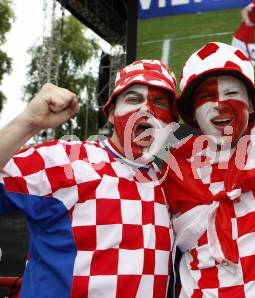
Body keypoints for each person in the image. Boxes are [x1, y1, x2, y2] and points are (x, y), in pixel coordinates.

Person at [0, 60, 177, 297]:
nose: (147, 110)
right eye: (133, 99)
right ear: (112, 113)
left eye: (159, 102)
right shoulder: (68, 161)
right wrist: (28, 121)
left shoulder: (170, 184)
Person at [161, 42, 255, 297]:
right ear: (194, 114)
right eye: (206, 97)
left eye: (231, 93)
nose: (220, 104)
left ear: (251, 105)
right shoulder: (173, 166)